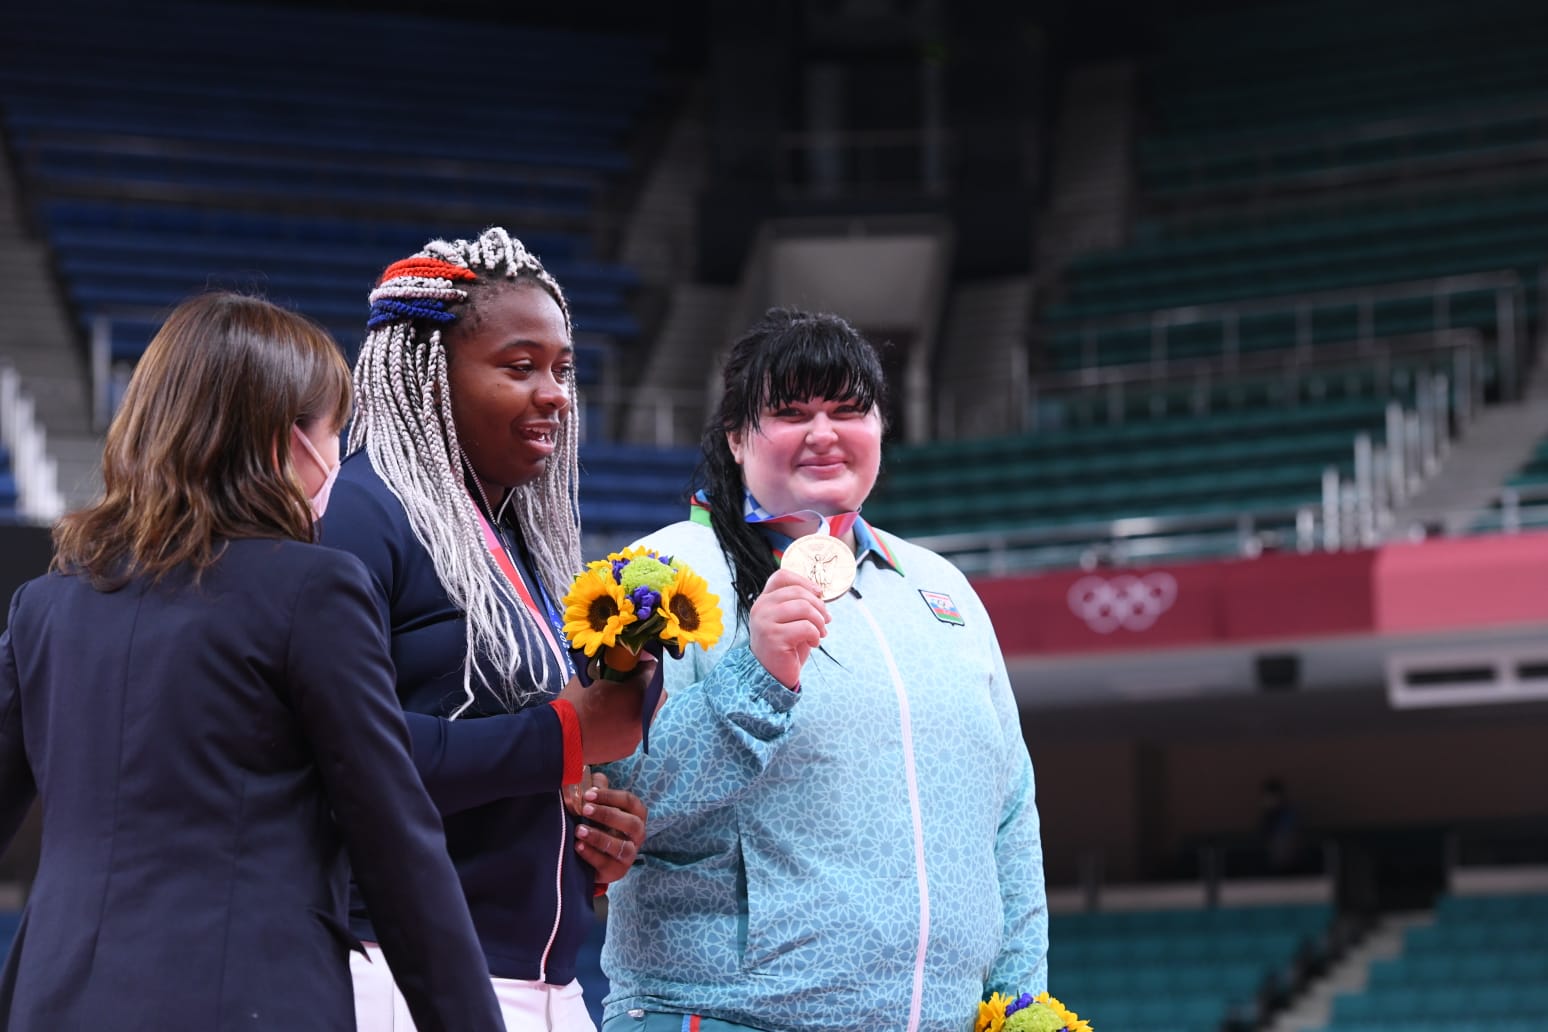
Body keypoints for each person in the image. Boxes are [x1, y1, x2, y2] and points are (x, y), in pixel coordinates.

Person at [0, 293, 504, 1031]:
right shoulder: (313, 590)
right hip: (244, 1002)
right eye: (337, 433)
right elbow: (397, 850)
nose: (340, 460)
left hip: (51, 999)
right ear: (285, 444)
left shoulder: (45, 606)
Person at [599, 308, 1049, 1032]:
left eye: (848, 409)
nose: (823, 432)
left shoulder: (940, 589)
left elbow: (1008, 814)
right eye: (789, 412)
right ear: (737, 437)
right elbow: (619, 794)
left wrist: (1025, 1001)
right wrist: (758, 676)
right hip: (724, 1016)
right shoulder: (662, 574)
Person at [320, 227, 652, 1032]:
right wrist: (563, 739)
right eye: (520, 366)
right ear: (432, 377)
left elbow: (500, 755)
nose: (556, 394)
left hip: (544, 984)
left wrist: (588, 830)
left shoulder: (519, 539)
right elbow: (337, 751)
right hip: (399, 977)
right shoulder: (359, 515)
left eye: (563, 369)